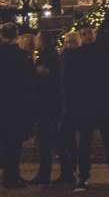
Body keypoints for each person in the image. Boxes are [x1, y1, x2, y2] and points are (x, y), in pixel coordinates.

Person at [0, 22, 36, 190]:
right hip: (15, 109)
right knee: (13, 144)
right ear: (16, 36)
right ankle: (10, 177)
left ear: (2, 35)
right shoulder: (22, 57)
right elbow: (28, 86)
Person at [64, 26, 109, 190]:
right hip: (101, 105)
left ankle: (84, 177)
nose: (86, 36)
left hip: (86, 105)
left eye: (88, 33)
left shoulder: (76, 56)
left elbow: (69, 82)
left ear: (93, 34)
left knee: (86, 143)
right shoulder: (106, 52)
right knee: (106, 143)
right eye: (84, 34)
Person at [31, 32, 73, 186]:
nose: (35, 41)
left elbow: (44, 77)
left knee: (50, 141)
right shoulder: (53, 55)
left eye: (37, 39)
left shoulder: (48, 57)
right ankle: (59, 173)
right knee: (51, 141)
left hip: (48, 105)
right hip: (52, 105)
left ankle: (59, 174)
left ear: (42, 41)